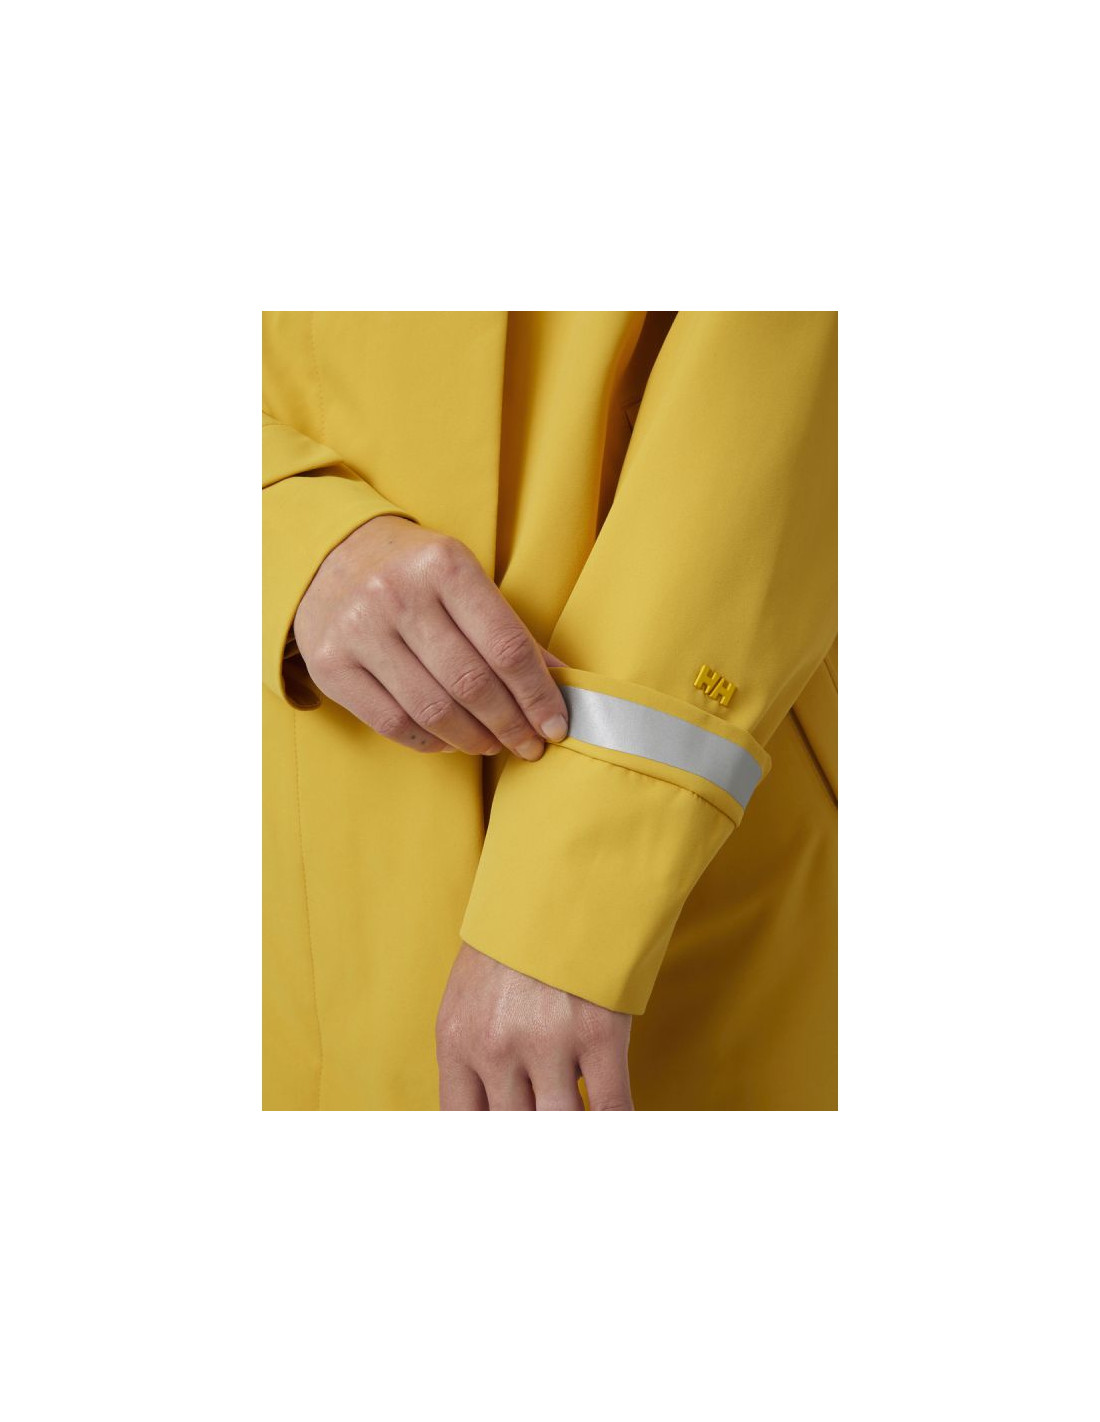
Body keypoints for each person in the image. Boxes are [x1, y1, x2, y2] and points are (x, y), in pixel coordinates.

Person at [262, 311, 837, 1110]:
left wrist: (569, 907)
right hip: (296, 805)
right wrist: (283, 531)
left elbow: (787, 357)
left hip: (676, 841)